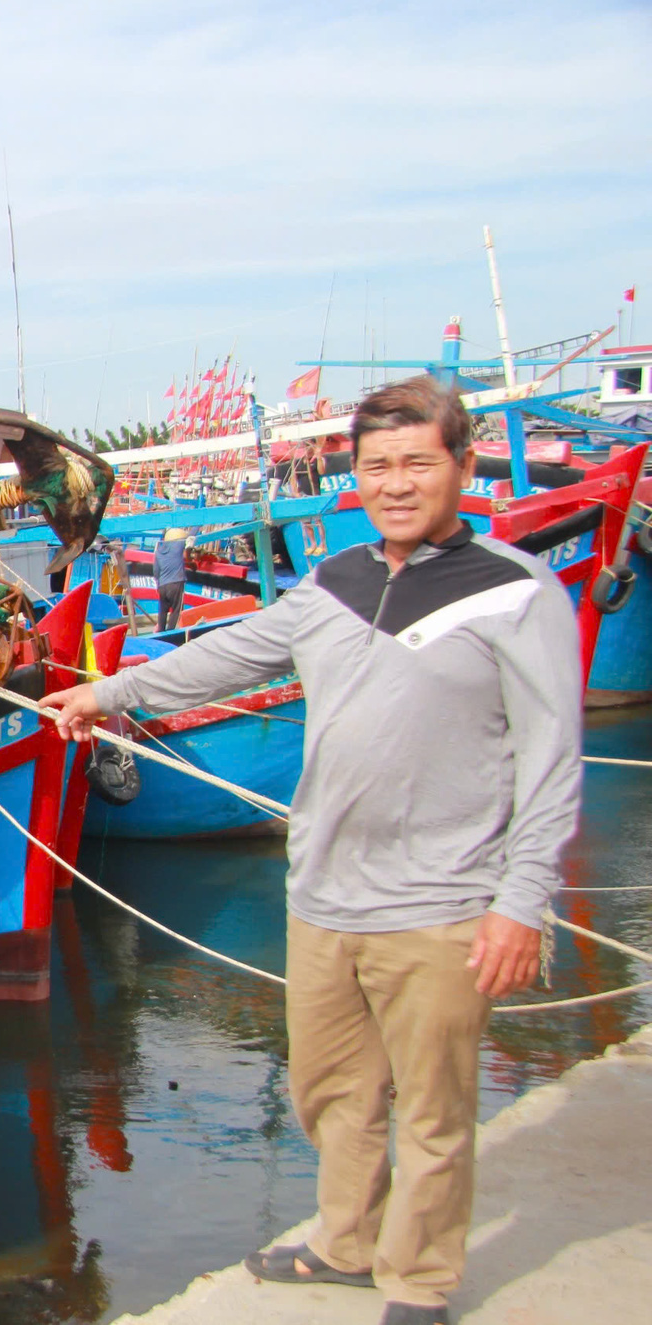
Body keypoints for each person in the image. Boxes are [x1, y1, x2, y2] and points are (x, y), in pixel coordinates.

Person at [39, 376, 581, 1325]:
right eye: (378, 466)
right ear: (354, 477)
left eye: (419, 462)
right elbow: (235, 652)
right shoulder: (334, 583)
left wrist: (521, 900)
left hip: (446, 904)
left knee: (434, 1108)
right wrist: (109, 693)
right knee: (331, 1091)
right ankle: (345, 1241)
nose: (398, 483)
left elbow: (551, 755)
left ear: (461, 464)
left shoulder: (515, 591)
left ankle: (418, 1283)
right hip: (326, 896)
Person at [154, 527, 189, 631]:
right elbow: (192, 535)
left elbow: (156, 571)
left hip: (162, 585)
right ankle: (170, 632)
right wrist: (199, 523)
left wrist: (158, 584)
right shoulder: (178, 545)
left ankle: (160, 631)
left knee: (163, 611)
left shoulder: (158, 551)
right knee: (176, 610)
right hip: (176, 583)